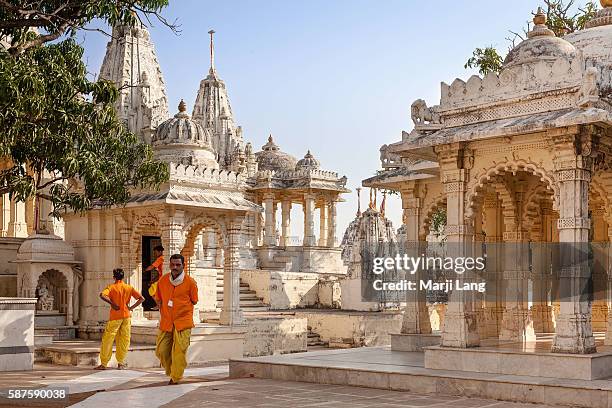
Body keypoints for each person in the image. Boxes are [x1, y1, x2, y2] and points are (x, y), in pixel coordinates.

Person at [154, 254, 198, 384]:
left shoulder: (190, 282)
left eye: (178, 265)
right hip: (167, 321)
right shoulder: (162, 280)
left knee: (179, 352)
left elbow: (194, 300)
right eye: (173, 264)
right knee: (161, 350)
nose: (175, 267)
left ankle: (176, 377)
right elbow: (158, 298)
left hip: (183, 322)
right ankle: (172, 371)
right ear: (169, 265)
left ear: (183, 265)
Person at [96, 268, 144, 370]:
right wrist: (130, 308)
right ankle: (121, 363)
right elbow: (141, 298)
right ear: (123, 277)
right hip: (126, 316)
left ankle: (104, 363)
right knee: (124, 339)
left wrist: (113, 304)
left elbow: (102, 295)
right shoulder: (128, 287)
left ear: (114, 277)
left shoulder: (111, 287)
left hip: (115, 316)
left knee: (108, 339)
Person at [145, 245, 164, 310]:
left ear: (160, 251)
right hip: (162, 279)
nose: (155, 254)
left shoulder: (161, 258)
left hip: (163, 280)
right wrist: (153, 280)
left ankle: (159, 305)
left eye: (156, 252)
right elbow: (159, 274)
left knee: (151, 290)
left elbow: (151, 267)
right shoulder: (162, 258)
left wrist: (143, 270)